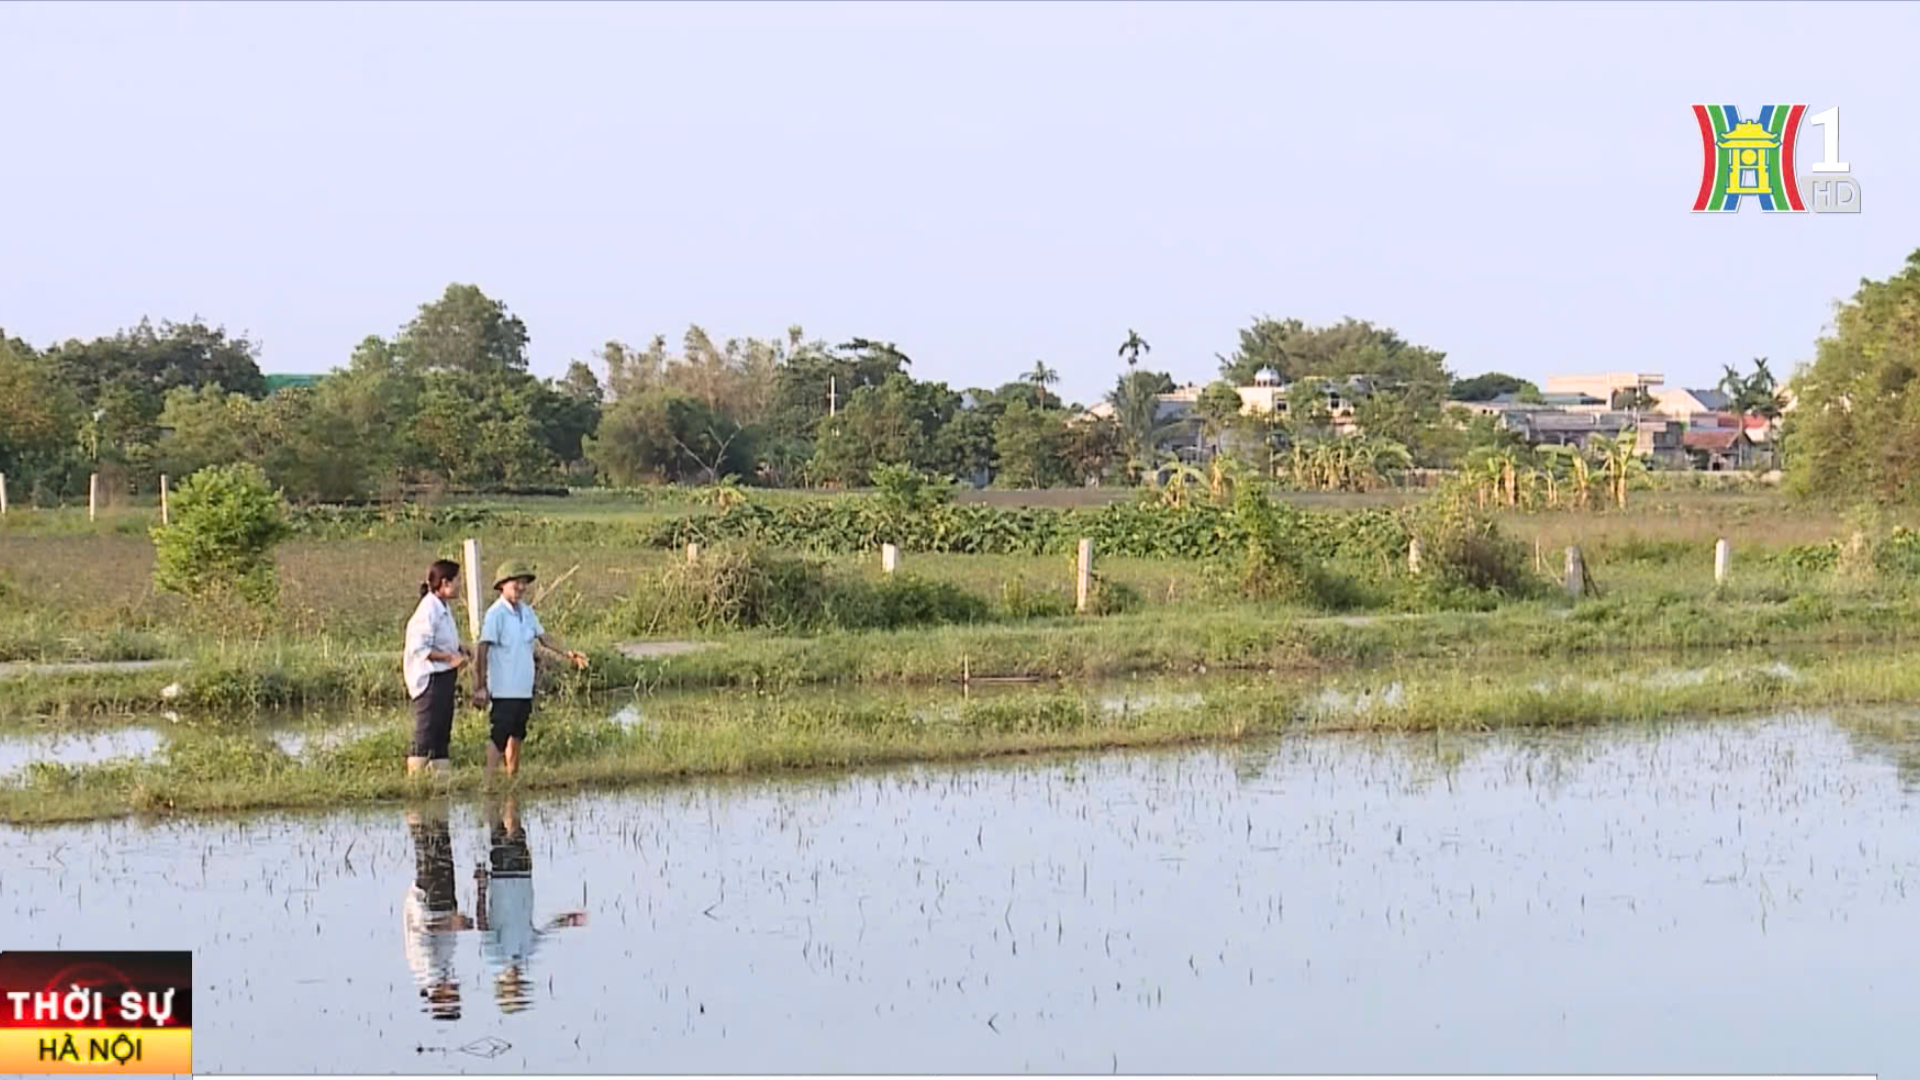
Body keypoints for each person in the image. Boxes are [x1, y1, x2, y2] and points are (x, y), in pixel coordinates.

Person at [472, 561, 587, 780]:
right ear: (502, 586)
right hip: (504, 689)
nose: (521, 588)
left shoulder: (527, 612)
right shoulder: (495, 614)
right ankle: (488, 783)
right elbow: (482, 649)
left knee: (517, 735)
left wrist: (568, 653)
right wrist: (480, 686)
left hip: (523, 687)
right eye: (516, 583)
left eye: (524, 583)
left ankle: (511, 779)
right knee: (499, 735)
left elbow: (544, 638)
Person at [474, 794, 586, 1014]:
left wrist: (481, 887)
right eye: (519, 987)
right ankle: (506, 793)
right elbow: (547, 930)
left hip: (502, 877)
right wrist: (568, 920)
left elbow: (482, 922)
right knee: (515, 829)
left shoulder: (495, 957)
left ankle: (492, 796)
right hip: (523, 874)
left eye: (514, 988)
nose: (517, 982)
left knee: (499, 830)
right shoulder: (527, 953)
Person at [402, 803, 474, 1021]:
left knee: (427, 843)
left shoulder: (426, 970)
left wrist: (452, 924)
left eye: (453, 997)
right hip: (442, 902)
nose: (457, 991)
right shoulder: (441, 971)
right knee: (442, 843)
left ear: (439, 999)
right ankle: (433, 803)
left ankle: (415, 802)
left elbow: (420, 929)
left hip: (429, 901)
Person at [404, 559, 468, 777]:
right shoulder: (428, 610)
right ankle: (415, 785)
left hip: (445, 676)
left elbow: (441, 638)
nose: (460, 585)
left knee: (441, 735)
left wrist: (460, 648)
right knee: (426, 733)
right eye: (457, 580)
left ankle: (441, 787)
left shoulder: (442, 607)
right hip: (430, 679)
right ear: (444, 583)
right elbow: (420, 648)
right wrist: (449, 657)